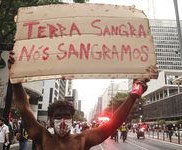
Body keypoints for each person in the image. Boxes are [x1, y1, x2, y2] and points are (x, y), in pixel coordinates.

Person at [8, 51, 150, 150]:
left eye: (66, 116)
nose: (62, 120)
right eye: (58, 116)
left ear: (72, 117)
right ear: (51, 119)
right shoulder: (42, 137)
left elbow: (113, 124)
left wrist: (132, 97)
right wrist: (15, 77)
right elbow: (24, 109)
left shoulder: (82, 140)